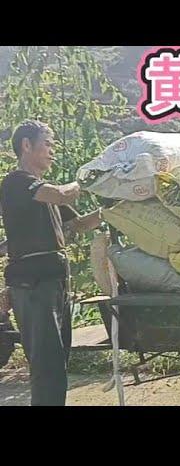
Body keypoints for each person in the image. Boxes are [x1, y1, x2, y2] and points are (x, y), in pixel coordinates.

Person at [0, 119, 103, 406]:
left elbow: (82, 224)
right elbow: (60, 193)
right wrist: (84, 181)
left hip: (55, 286)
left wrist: (113, 209)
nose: (52, 150)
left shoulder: (44, 191)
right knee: (46, 367)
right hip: (33, 288)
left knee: (56, 363)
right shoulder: (17, 183)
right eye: (48, 143)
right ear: (26, 145)